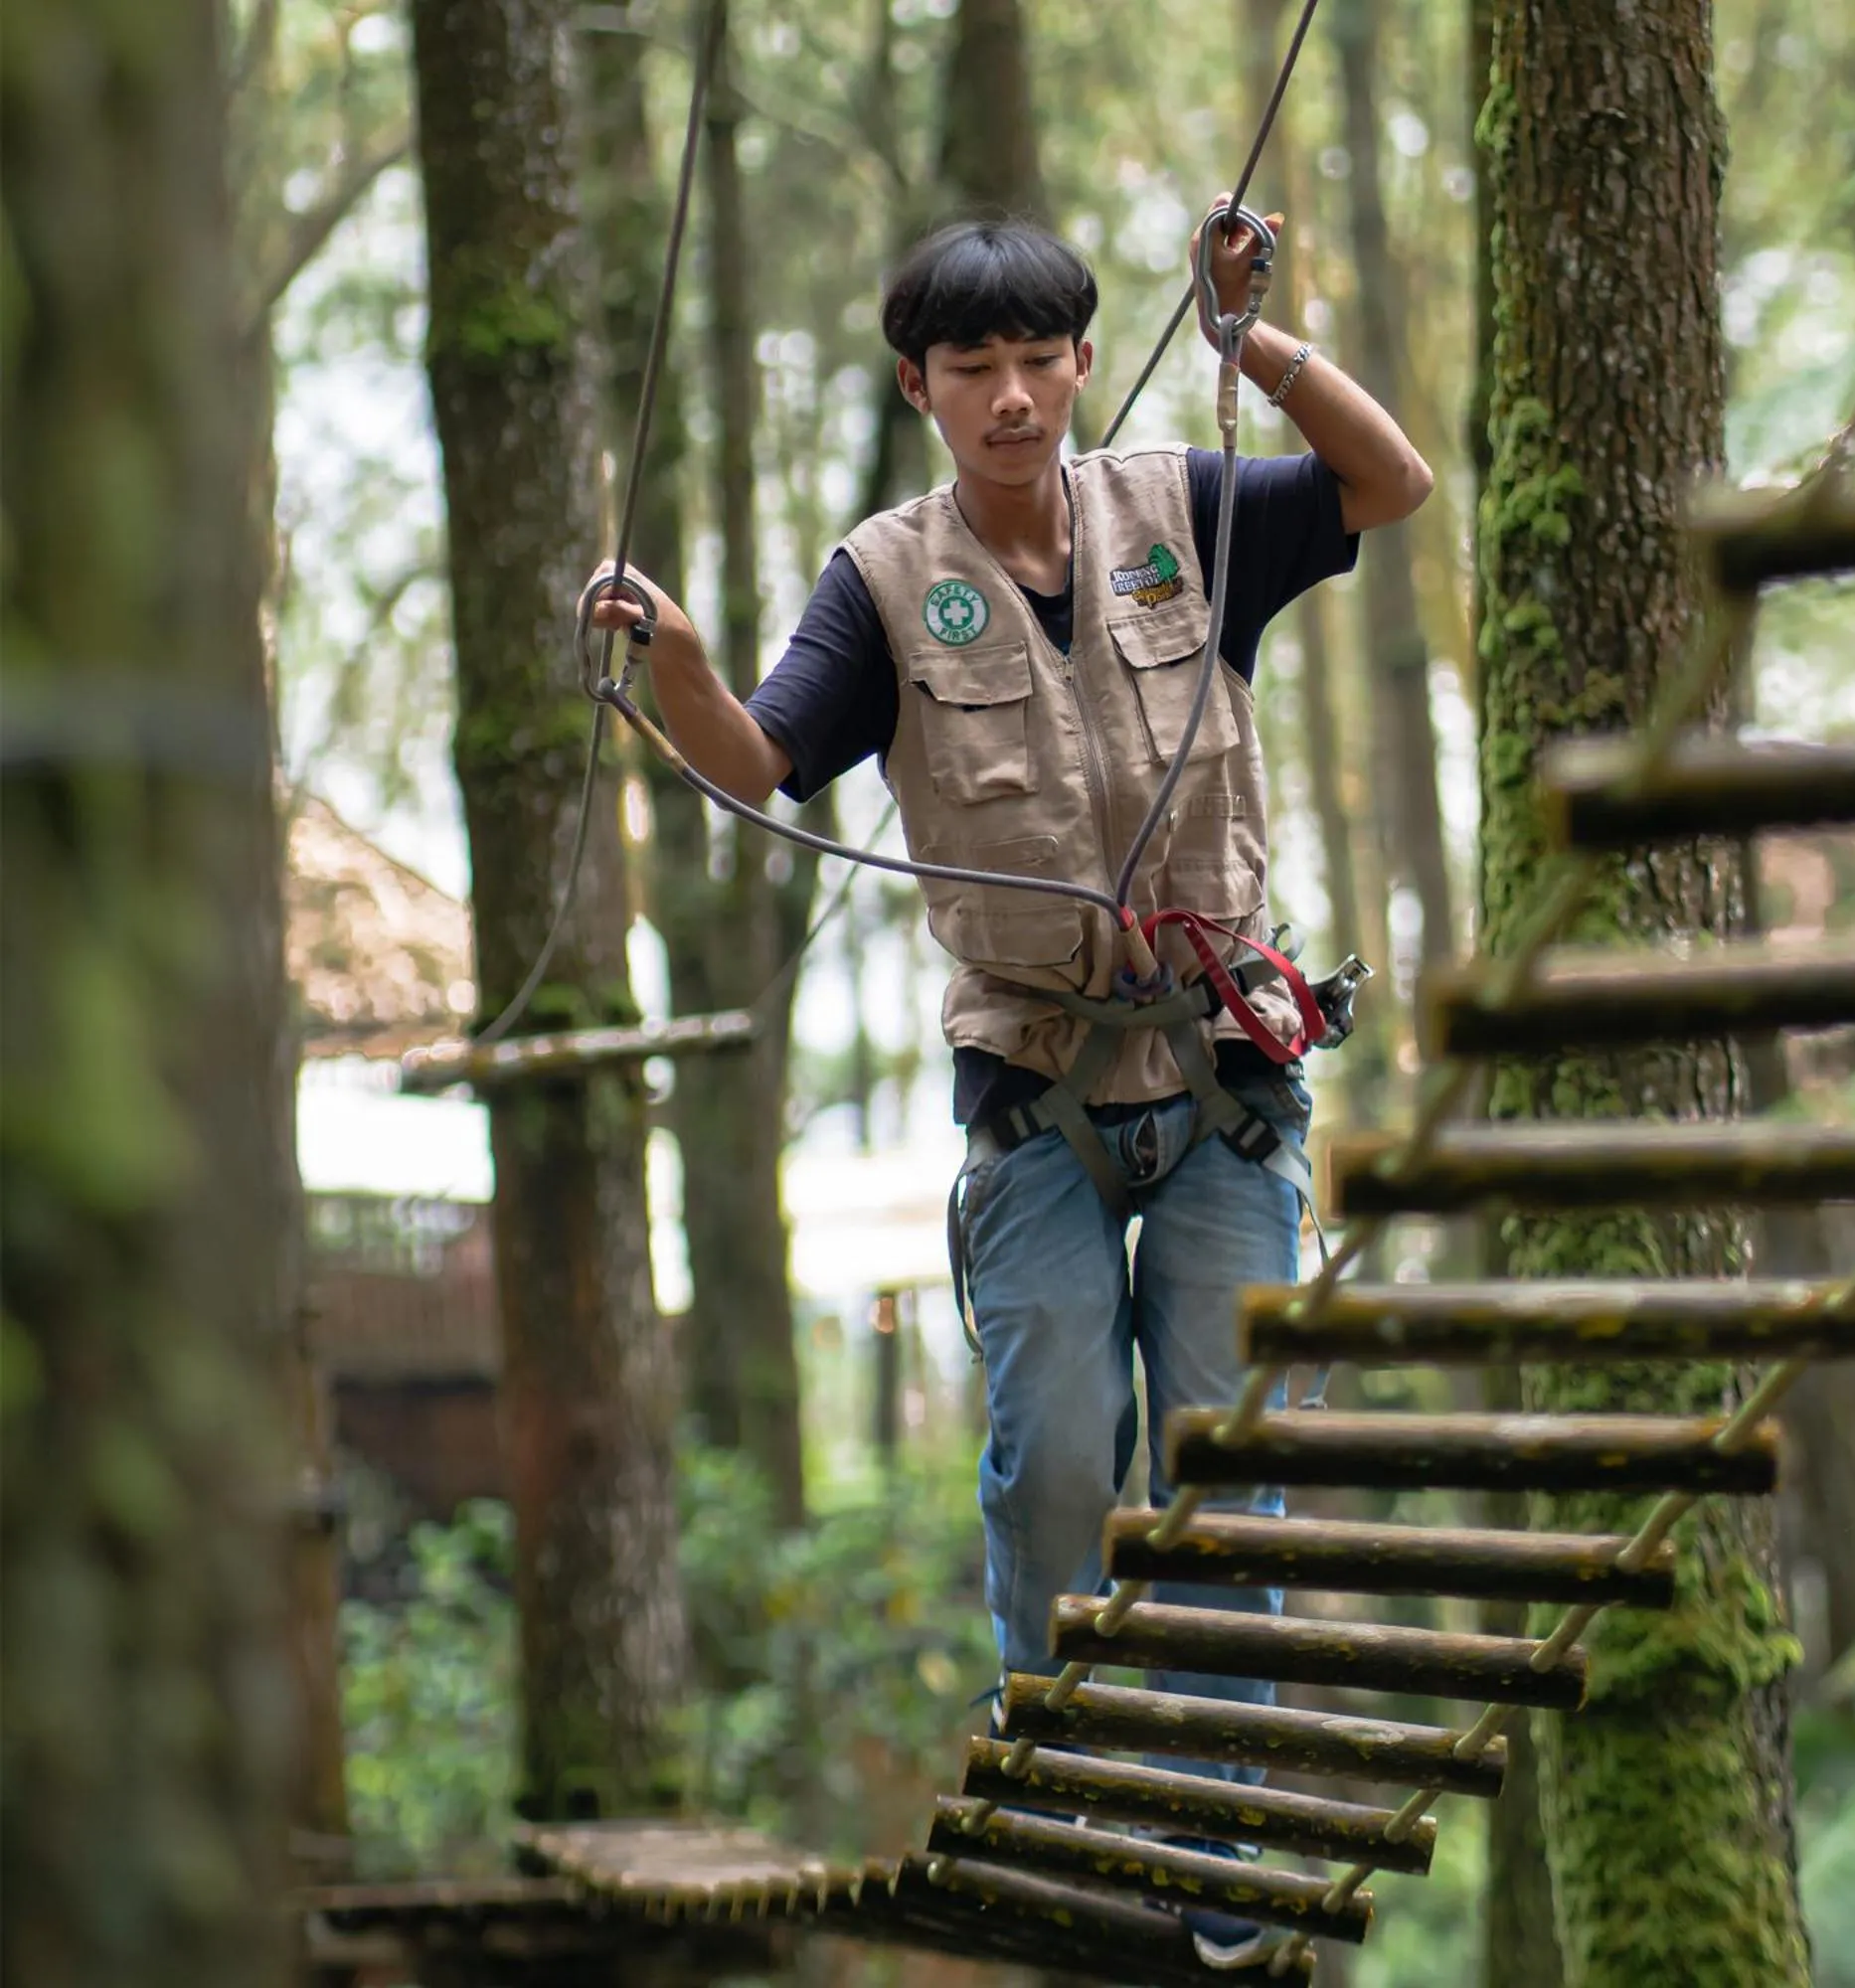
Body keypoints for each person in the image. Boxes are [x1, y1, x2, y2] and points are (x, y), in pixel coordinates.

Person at [588, 200, 1431, 1958]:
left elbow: (1389, 480)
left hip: (1224, 1077)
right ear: (922, 385)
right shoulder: (885, 582)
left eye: (1045, 358)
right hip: (1030, 1088)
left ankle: (1214, 1831)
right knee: (1055, 1450)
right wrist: (671, 656)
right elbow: (763, 757)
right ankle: (1071, 1797)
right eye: (976, 367)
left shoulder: (1184, 510)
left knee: (1224, 1472)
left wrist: (1243, 342)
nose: (1022, 397)